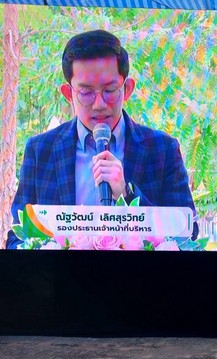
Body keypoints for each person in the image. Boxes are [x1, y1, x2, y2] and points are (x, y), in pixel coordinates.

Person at [6, 29, 198, 249]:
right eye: (86, 93)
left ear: (127, 89)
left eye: (109, 90)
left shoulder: (162, 149)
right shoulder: (41, 150)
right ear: (68, 94)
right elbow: (17, 238)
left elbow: (188, 234)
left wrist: (127, 193)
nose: (99, 104)